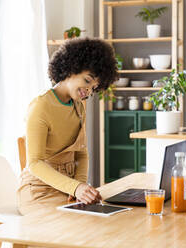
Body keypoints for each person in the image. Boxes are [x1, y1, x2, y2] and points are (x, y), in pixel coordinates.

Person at [17, 38, 119, 215]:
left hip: (66, 188)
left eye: (94, 88)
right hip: (38, 191)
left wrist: (79, 190)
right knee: (76, 225)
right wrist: (75, 187)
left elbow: (81, 154)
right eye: (87, 81)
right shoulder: (40, 107)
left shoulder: (78, 106)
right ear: (71, 68)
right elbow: (34, 163)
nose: (88, 91)